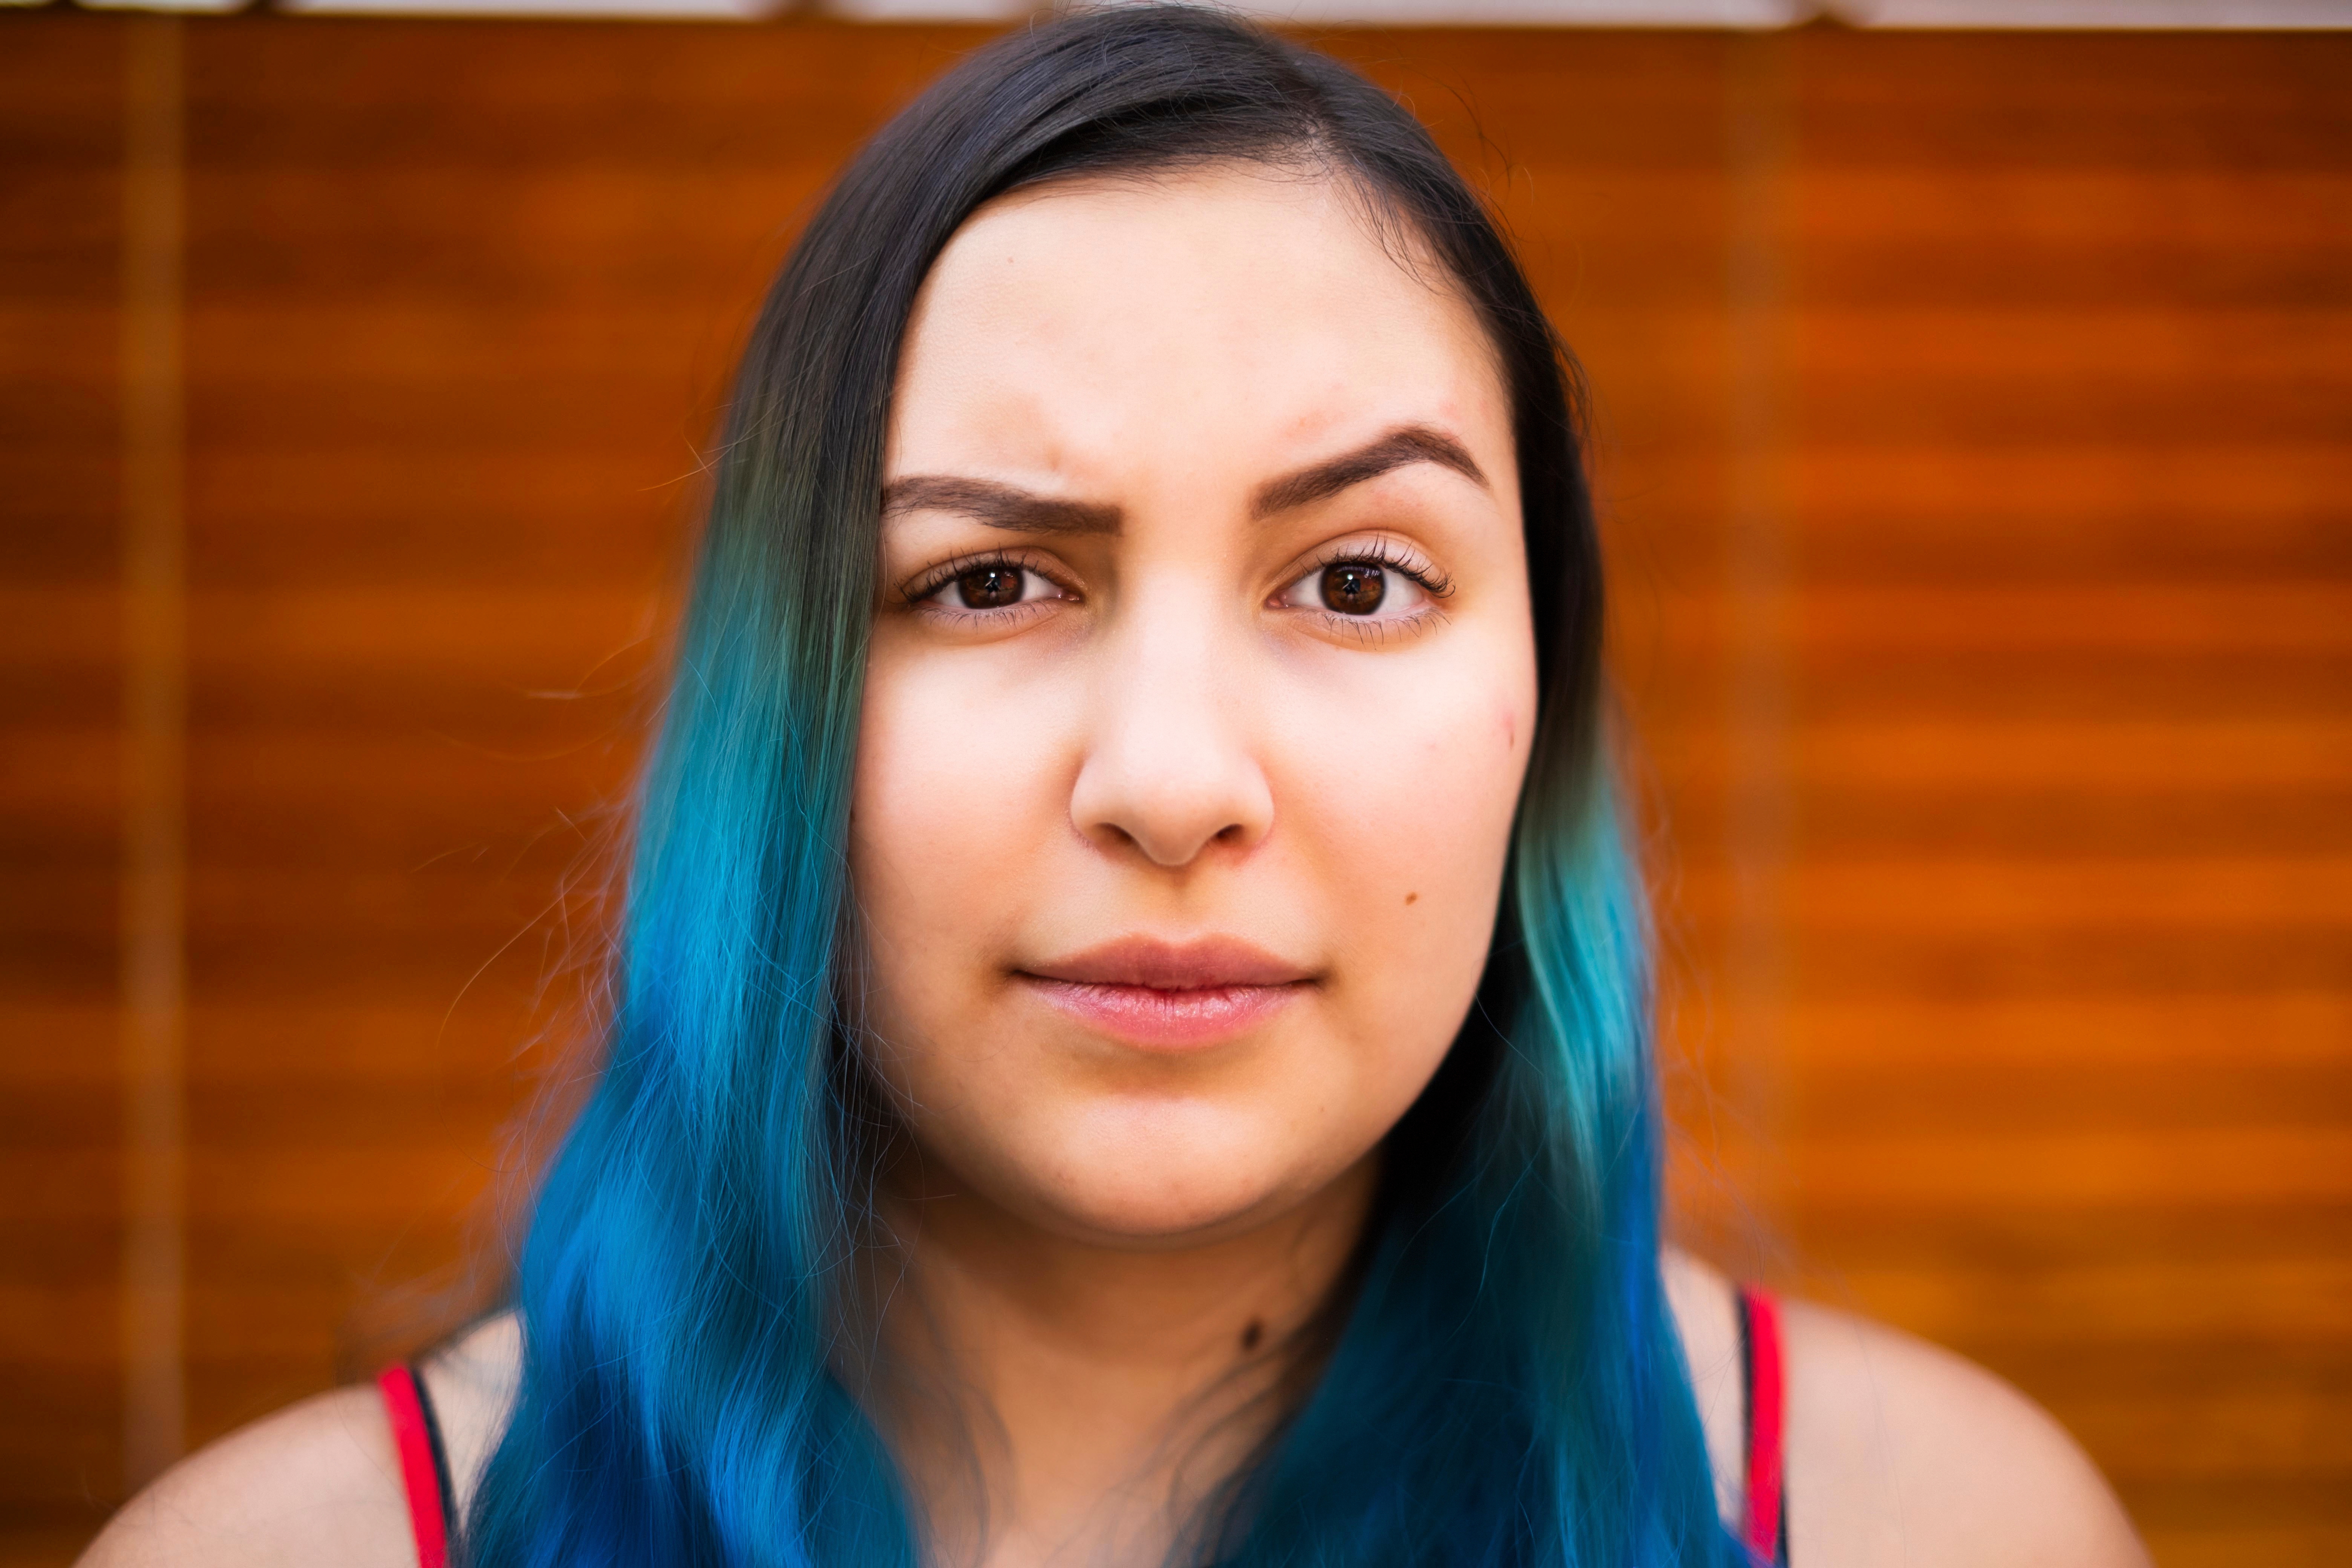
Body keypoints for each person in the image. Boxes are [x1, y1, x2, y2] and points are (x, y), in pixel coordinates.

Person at [82, 9, 2149, 1567]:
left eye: (1356, 582)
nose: (1172, 782)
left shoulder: (1953, 1529)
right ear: (774, 719)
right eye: (987, 579)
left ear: (1544, 713)